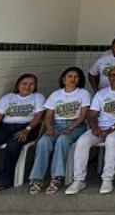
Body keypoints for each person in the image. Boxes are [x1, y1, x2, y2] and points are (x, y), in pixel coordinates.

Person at [65, 66, 115, 195]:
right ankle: (78, 179)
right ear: (108, 77)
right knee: (82, 142)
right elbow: (92, 114)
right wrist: (95, 127)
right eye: (113, 75)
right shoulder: (101, 94)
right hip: (100, 127)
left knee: (111, 140)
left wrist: (111, 129)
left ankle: (107, 179)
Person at [28, 67, 90, 195]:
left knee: (62, 140)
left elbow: (83, 115)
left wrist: (71, 127)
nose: (73, 79)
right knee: (44, 142)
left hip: (76, 125)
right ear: (63, 79)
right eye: (70, 76)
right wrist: (49, 127)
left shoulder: (83, 93)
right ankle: (37, 178)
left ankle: (56, 177)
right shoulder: (56, 94)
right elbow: (48, 115)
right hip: (57, 125)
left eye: (76, 77)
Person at [0, 73, 45, 191]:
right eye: (24, 83)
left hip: (28, 127)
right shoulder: (8, 97)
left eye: (31, 84)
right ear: (17, 85)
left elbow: (38, 116)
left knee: (13, 145)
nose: (27, 86)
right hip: (6, 127)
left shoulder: (38, 97)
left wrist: (27, 130)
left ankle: (5, 179)